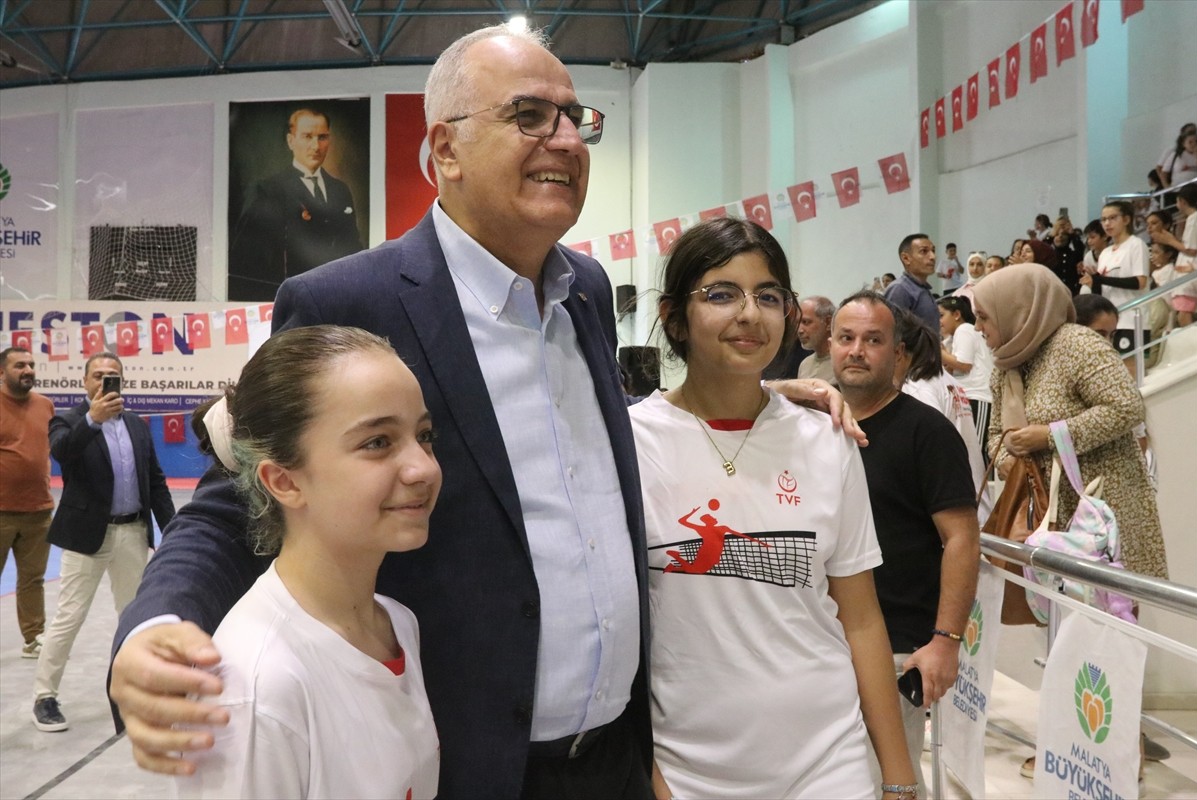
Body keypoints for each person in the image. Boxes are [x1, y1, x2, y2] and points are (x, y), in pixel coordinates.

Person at [108, 24, 855, 799]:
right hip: (469, 763)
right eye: (530, 115)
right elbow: (242, 498)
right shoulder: (351, 301)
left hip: (618, 760)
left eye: (575, 119)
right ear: (447, 150)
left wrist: (752, 396)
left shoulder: (587, 292)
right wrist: (157, 625)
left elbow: (589, 451)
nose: (565, 139)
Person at [634, 217, 917, 800]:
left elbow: (861, 619)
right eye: (720, 293)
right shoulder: (628, 444)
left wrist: (898, 778)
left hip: (827, 764)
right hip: (688, 770)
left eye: (768, 296)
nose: (749, 314)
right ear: (672, 317)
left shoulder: (829, 441)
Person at [174, 326, 440, 799]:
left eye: (424, 435)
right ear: (284, 481)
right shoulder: (256, 686)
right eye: (377, 442)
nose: (423, 468)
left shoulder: (398, 624)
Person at [831, 292, 981, 800]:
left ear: (897, 354)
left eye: (873, 340)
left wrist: (945, 640)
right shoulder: (809, 426)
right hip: (816, 641)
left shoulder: (927, 432)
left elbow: (961, 538)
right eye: (846, 338)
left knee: (885, 784)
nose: (857, 350)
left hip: (896, 648)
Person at [974, 263, 1167, 581]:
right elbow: (997, 433)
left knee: (1108, 615)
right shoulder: (1007, 364)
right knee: (1057, 618)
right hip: (1046, 514)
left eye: (984, 316)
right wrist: (1009, 457)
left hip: (1101, 512)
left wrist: (1050, 436)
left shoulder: (1078, 345)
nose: (979, 327)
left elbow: (1126, 408)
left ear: (1017, 309)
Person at [33, 352, 175, 732]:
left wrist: (173, 531)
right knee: (69, 617)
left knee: (134, 617)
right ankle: (45, 696)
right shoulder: (68, 419)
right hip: (86, 538)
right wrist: (93, 419)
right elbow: (62, 453)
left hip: (131, 534)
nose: (105, 381)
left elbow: (155, 481)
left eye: (113, 375)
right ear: (85, 381)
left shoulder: (136, 425)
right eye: (98, 375)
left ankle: (137, 692)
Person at [228, 108, 364, 301]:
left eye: (322, 137)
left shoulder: (340, 190)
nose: (315, 146)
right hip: (291, 300)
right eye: (307, 136)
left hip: (336, 298)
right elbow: (252, 259)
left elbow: (354, 249)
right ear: (291, 141)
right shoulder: (267, 190)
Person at [895, 309, 993, 528]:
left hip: (954, 515)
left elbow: (929, 458)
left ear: (899, 351)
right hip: (972, 508)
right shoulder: (946, 379)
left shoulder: (916, 389)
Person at [0, 346, 56, 660]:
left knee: (33, 580)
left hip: (39, 510)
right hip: (0, 511)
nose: (28, 370)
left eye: (32, 364)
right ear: (2, 372)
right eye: (20, 365)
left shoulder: (46, 406)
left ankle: (34, 638)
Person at [1080, 200, 1150, 362]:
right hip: (1110, 323)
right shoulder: (1105, 253)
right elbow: (1103, 289)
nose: (1107, 223)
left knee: (1131, 370)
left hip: (1132, 320)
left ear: (1126, 220)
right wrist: (1093, 282)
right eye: (1104, 219)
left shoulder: (1136, 245)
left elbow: (1140, 282)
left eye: (1112, 218)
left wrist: (1102, 279)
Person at [937, 296, 993, 459]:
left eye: (941, 315)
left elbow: (964, 363)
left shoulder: (965, 329)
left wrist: (936, 351)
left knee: (977, 451)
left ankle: (980, 485)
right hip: (968, 396)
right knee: (969, 451)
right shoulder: (958, 334)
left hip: (979, 396)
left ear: (956, 315)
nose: (939, 321)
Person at [1150, 183, 1197, 325]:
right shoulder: (1194, 218)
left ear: (1182, 201)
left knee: (1184, 313)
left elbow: (1191, 249)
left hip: (1190, 273)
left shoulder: (1194, 218)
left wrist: (1169, 240)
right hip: (1190, 270)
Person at [883, 234, 939, 332]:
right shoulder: (899, 289)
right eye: (924, 251)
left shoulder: (923, 289)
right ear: (906, 258)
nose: (933, 257)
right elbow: (894, 333)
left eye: (933, 251)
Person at [795, 295, 836, 382]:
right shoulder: (804, 365)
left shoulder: (843, 364)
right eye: (797, 323)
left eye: (806, 322)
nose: (799, 330)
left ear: (828, 322)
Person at [1156, 123, 1197, 189]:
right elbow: (1163, 172)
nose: (1194, 144)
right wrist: (1166, 187)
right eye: (1190, 142)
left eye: (1196, 141)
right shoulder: (1175, 154)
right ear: (1183, 143)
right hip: (1178, 188)